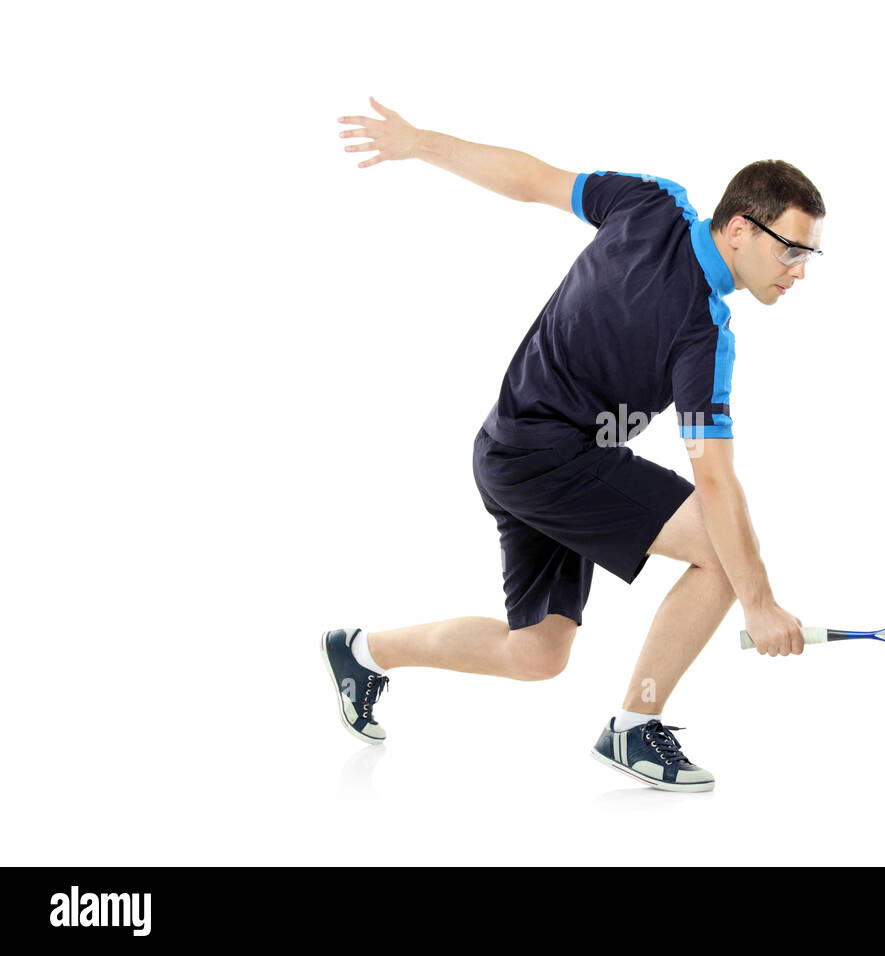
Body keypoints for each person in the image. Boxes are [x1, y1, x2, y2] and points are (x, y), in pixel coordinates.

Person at [321, 97, 825, 792]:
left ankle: (361, 651)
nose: (798, 270)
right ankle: (634, 726)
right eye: (790, 249)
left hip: (507, 452)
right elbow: (716, 484)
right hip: (544, 458)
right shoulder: (696, 316)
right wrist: (760, 600)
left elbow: (534, 178)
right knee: (721, 550)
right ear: (739, 227)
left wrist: (417, 142)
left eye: (809, 255)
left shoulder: (656, 207)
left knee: (536, 653)